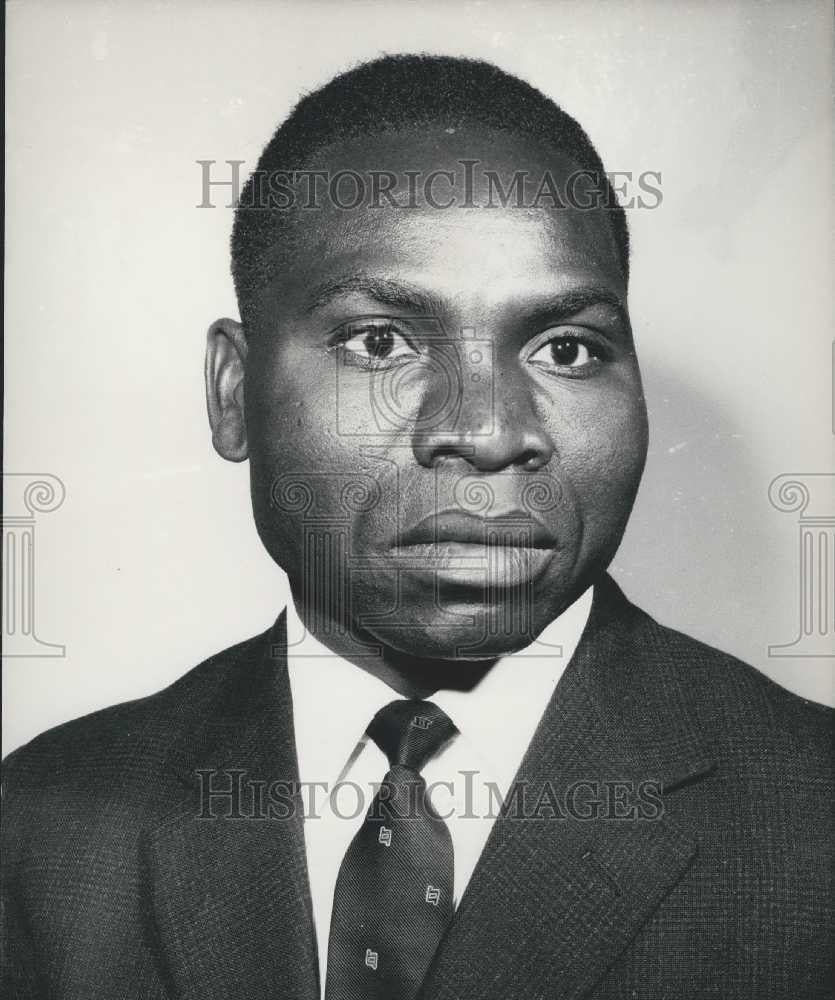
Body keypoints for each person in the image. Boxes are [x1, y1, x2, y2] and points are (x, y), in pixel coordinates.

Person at [2, 54, 832, 1000]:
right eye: (381, 342)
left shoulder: (815, 824)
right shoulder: (41, 829)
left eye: (566, 349)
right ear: (233, 394)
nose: (485, 433)